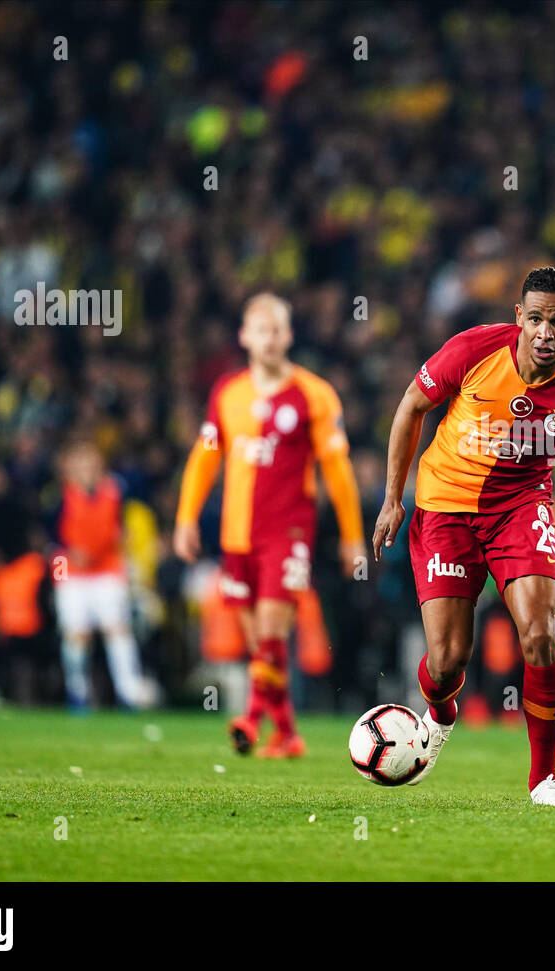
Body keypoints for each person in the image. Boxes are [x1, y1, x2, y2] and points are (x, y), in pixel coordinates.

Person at [372, 266, 555, 807]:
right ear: (519, 317)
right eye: (535, 318)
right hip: (444, 508)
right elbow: (412, 407)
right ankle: (438, 712)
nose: (545, 333)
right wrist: (394, 497)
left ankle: (544, 780)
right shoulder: (473, 349)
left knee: (538, 634)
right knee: (448, 661)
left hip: (521, 508)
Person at [174, 293, 366, 758]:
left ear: (289, 335)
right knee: (261, 643)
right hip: (237, 536)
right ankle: (287, 733)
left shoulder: (314, 393)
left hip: (289, 533)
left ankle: (251, 718)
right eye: (260, 328)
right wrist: (185, 518)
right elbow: (205, 458)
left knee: (272, 634)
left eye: (277, 328)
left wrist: (352, 535)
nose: (270, 337)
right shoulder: (227, 393)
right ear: (244, 336)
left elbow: (337, 469)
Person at [54, 441, 145, 710]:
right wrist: (61, 575)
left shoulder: (116, 492)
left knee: (117, 630)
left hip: (108, 571)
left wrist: (123, 562)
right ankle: (78, 694)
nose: (87, 470)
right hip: (72, 574)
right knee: (76, 635)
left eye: (92, 465)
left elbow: (123, 530)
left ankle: (129, 693)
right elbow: (50, 542)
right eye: (81, 465)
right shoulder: (59, 497)